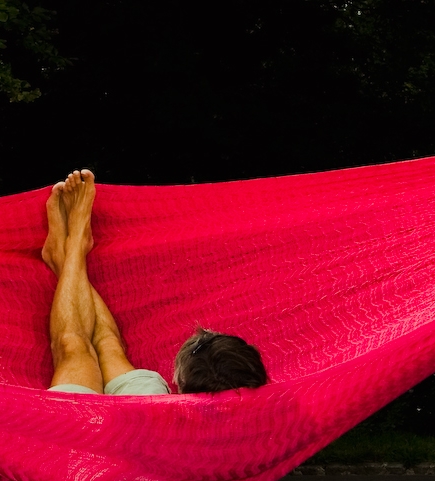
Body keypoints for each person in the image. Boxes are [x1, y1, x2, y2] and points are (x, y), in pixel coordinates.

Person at [43, 169, 268, 396]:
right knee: (109, 345)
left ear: (178, 386)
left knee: (72, 347)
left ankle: (72, 250)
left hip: (86, 419)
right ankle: (67, 256)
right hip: (152, 407)